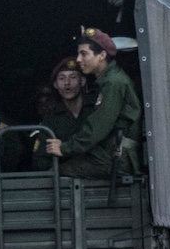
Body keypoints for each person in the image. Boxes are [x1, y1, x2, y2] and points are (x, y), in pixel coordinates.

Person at [44, 28, 141, 179]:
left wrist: (64, 148)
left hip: (114, 158)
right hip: (108, 155)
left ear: (102, 55)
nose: (78, 59)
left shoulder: (113, 83)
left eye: (84, 54)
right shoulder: (108, 81)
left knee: (53, 175)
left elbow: (98, 127)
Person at [32, 58, 91, 171]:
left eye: (73, 77)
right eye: (61, 78)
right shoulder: (51, 119)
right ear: (55, 84)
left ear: (82, 81)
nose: (67, 83)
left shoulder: (96, 110)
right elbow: (39, 160)